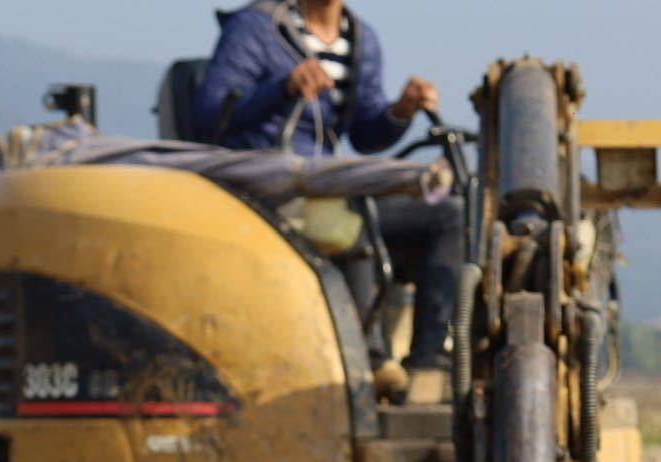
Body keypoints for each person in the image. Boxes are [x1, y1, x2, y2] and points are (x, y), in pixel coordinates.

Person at [195, 0, 462, 403]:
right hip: (269, 186)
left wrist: (400, 111)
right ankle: (370, 360)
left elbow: (366, 135)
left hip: (331, 186)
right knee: (348, 219)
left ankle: (427, 364)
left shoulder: (360, 39)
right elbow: (211, 116)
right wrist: (281, 89)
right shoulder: (256, 28)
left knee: (450, 215)